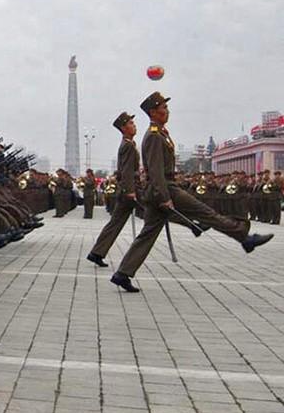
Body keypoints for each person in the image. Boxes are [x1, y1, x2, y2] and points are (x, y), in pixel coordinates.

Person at [110, 92, 274, 292]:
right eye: (163, 107)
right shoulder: (154, 136)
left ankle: (123, 273)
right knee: (206, 213)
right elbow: (155, 171)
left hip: (159, 190)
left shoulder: (159, 133)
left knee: (148, 233)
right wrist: (165, 197)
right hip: (166, 188)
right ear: (154, 112)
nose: (167, 110)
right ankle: (244, 237)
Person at [87, 112, 138, 266]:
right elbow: (127, 170)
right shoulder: (128, 145)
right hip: (129, 189)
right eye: (130, 123)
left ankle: (97, 252)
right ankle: (192, 224)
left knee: (115, 223)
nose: (134, 126)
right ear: (123, 128)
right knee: (158, 211)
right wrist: (130, 190)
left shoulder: (128, 143)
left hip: (126, 188)